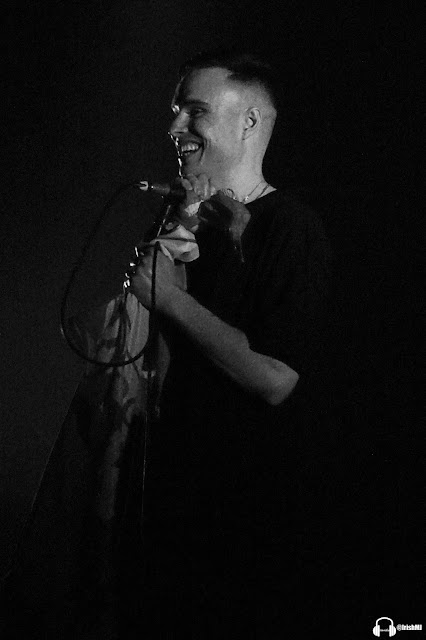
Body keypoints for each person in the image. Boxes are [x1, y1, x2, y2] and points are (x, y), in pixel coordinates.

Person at [123, 49, 332, 637]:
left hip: (244, 532)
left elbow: (276, 377)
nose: (175, 127)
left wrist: (171, 301)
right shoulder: (187, 219)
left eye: (195, 111)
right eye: (175, 111)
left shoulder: (290, 227)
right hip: (169, 513)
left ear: (250, 121)